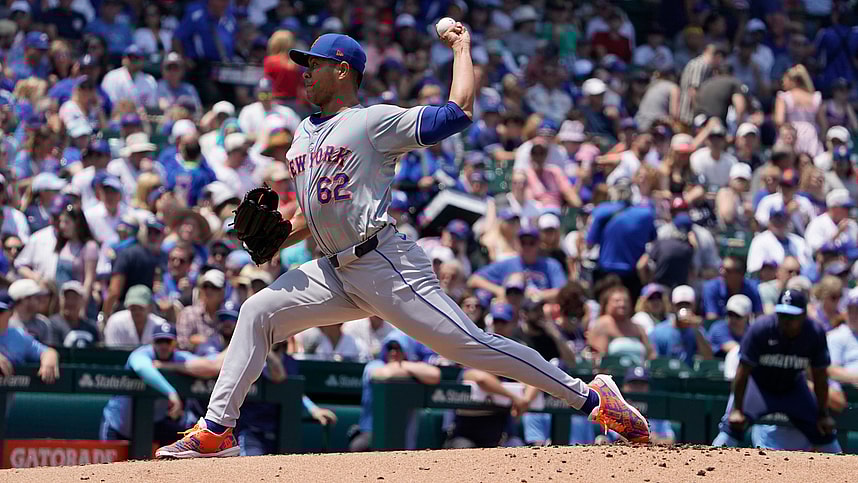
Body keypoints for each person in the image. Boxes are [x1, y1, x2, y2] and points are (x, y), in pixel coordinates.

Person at [155, 29, 649, 459]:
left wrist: (461, 48)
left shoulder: (372, 122)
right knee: (257, 311)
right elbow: (314, 211)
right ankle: (218, 428)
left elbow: (457, 114)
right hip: (333, 271)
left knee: (472, 346)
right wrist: (284, 235)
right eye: (303, 65)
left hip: (384, 263)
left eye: (315, 65)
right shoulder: (302, 136)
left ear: (343, 71)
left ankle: (590, 397)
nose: (304, 73)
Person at [711, 290, 841, 453]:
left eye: (792, 317)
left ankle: (847, 475)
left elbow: (820, 376)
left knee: (823, 431)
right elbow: (743, 371)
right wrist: (737, 409)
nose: (786, 321)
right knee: (732, 427)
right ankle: (708, 466)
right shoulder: (761, 328)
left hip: (793, 388)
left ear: (803, 316)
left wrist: (823, 413)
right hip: (759, 389)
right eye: (782, 315)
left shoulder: (814, 333)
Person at [100, 322, 198, 446]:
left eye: (168, 342)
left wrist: (170, 366)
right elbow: (141, 368)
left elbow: (208, 365)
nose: (163, 346)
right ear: (152, 342)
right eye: (159, 341)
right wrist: (171, 393)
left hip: (150, 427)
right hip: (118, 426)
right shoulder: (142, 353)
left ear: (175, 344)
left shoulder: (179, 358)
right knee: (110, 465)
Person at [349, 331, 441, 451]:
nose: (393, 352)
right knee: (360, 446)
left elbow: (435, 375)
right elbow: (385, 373)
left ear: (406, 351)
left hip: (404, 436)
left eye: (398, 348)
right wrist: (410, 369)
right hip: (372, 432)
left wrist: (403, 365)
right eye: (390, 348)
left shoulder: (409, 367)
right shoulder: (375, 365)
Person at [468, 227, 567, 302]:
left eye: (531, 243)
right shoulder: (508, 263)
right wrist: (499, 290)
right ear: (517, 243)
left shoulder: (551, 265)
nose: (527, 246)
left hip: (540, 312)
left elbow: (563, 291)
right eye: (523, 242)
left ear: (538, 244)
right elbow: (473, 280)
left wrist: (539, 295)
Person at [0, 290, 60, 383]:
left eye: (0, 311)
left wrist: (49, 359)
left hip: (9, 394)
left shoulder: (18, 335)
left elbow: (47, 352)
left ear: (11, 313)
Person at [649, 285, 713, 365]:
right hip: (668, 375)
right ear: (672, 306)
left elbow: (708, 358)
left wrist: (696, 330)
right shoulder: (658, 332)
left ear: (694, 306)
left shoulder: (699, 331)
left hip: (691, 375)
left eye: (687, 304)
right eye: (679, 304)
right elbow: (654, 361)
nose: (683, 307)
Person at [176, 270, 227, 352]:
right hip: (195, 360)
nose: (208, 290)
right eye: (205, 286)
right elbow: (181, 345)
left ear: (222, 292)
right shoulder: (188, 313)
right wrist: (192, 341)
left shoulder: (229, 315)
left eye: (214, 287)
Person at [104, 285, 168, 348]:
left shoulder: (160, 325)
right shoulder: (116, 322)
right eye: (133, 308)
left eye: (141, 308)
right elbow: (113, 353)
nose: (137, 311)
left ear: (150, 307)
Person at [701, 256, 763, 322]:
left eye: (728, 270)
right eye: (721, 268)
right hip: (719, 329)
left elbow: (759, 315)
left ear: (740, 274)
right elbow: (712, 319)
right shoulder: (711, 288)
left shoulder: (752, 288)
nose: (722, 272)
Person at [100, 45, 157, 109]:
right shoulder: (111, 77)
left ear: (142, 61)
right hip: (118, 117)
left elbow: (152, 106)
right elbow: (109, 104)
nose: (133, 61)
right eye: (130, 57)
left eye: (136, 58)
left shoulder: (150, 80)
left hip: (142, 118)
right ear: (123, 59)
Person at [804, 189, 858, 255]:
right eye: (845, 208)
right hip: (825, 263)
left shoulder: (851, 224)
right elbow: (815, 250)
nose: (848, 211)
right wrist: (837, 233)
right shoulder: (817, 223)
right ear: (834, 208)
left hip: (849, 263)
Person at [49, 281, 100, 348]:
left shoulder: (91, 328)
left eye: (74, 298)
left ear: (82, 300)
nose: (70, 302)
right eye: (67, 298)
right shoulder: (52, 324)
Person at [826, 287, 858, 386]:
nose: (855, 315)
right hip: (847, 394)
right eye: (852, 310)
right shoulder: (836, 336)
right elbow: (831, 371)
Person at [8, 278, 54, 346]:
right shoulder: (6, 324)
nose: (40, 300)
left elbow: (49, 351)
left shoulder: (43, 323)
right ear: (24, 300)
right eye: (36, 297)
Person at [707, 294, 752, 359]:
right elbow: (735, 351)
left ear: (747, 317)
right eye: (730, 314)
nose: (733, 319)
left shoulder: (752, 331)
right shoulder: (718, 328)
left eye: (737, 316)